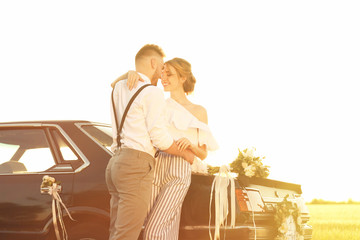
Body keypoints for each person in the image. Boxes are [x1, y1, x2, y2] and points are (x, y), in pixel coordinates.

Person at [112, 57, 218, 239]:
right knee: (141, 225)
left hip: (179, 169)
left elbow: (203, 153)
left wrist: (191, 145)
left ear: (183, 78)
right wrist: (130, 74)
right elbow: (115, 86)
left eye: (169, 74)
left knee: (155, 231)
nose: (163, 78)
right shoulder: (158, 101)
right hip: (153, 166)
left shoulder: (199, 111)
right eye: (163, 73)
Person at [106, 45, 195, 240]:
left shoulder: (119, 87)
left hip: (114, 164)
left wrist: (128, 73)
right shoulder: (152, 92)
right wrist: (184, 153)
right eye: (162, 66)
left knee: (116, 232)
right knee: (126, 235)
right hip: (135, 165)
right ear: (153, 63)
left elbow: (113, 84)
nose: (162, 73)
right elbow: (160, 139)